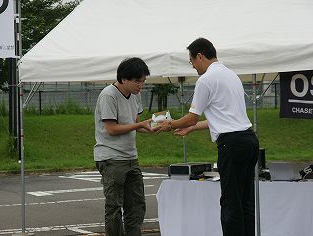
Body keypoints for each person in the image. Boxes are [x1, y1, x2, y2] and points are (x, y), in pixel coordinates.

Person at [154, 38, 259, 236]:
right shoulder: (231, 75)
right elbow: (224, 118)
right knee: (245, 201)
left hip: (232, 144)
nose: (193, 66)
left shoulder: (206, 80)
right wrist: (192, 129)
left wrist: (170, 124)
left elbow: (192, 117)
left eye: (192, 61)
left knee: (230, 203)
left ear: (200, 56)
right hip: (249, 139)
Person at [94, 57, 152, 236]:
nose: (140, 85)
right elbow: (111, 129)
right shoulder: (108, 95)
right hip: (111, 158)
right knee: (114, 207)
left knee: (136, 204)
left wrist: (152, 127)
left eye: (143, 81)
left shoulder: (136, 95)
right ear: (123, 79)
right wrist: (139, 126)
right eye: (137, 81)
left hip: (130, 157)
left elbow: (135, 123)